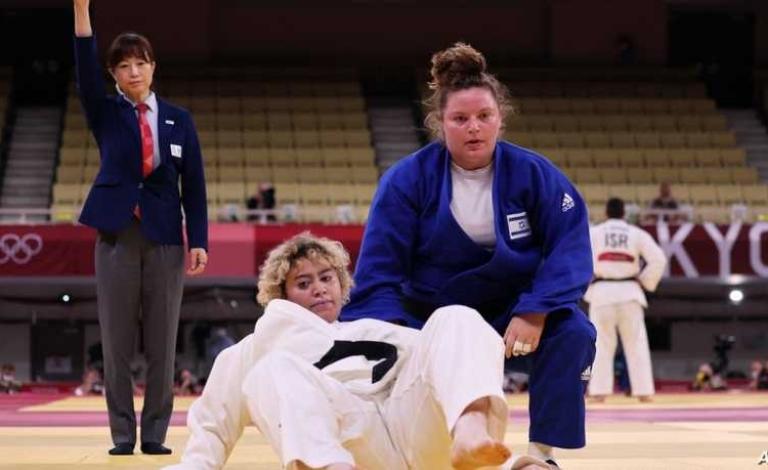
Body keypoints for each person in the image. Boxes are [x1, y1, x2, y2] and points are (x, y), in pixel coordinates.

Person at [341, 42, 596, 468]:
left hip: (511, 312)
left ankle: (541, 456)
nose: (473, 128)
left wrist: (536, 310)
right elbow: (379, 272)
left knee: (573, 332)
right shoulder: (406, 181)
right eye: (460, 119)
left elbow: (569, 248)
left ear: (501, 119)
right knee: (381, 357)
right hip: (431, 317)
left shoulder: (535, 174)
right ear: (440, 124)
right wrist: (397, 336)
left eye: (484, 116)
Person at [166, 232, 549, 470]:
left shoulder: (374, 330)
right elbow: (213, 422)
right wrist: (196, 464)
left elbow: (449, 362)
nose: (319, 288)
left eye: (326, 278)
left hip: (414, 431)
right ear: (281, 295)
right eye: (303, 283)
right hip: (352, 445)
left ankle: (470, 432)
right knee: (273, 369)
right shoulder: (257, 349)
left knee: (456, 318)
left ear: (342, 284)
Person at [73, 0, 209, 456]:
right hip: (116, 234)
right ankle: (120, 434)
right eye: (124, 66)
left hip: (166, 237)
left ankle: (154, 434)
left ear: (153, 67)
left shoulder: (179, 120)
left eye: (141, 63)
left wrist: (199, 241)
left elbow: (195, 185)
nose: (134, 72)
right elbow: (83, 65)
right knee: (115, 341)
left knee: (162, 342)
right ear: (113, 74)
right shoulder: (105, 111)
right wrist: (81, 10)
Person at [584, 198, 667, 403]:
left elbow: (578, 258)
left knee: (601, 344)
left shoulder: (594, 233)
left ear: (606, 213)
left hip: (602, 293)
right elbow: (659, 259)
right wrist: (645, 281)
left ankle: (599, 392)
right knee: (636, 343)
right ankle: (644, 391)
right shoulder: (636, 233)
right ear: (624, 214)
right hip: (630, 292)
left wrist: (586, 284)